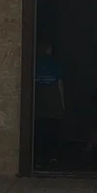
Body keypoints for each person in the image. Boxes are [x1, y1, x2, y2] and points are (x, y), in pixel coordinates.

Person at [33, 39, 65, 168]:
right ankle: (53, 157)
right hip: (53, 101)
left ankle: (39, 158)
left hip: (40, 101)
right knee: (53, 130)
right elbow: (60, 85)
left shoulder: (35, 64)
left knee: (40, 130)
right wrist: (63, 104)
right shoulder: (55, 64)